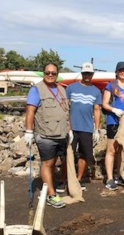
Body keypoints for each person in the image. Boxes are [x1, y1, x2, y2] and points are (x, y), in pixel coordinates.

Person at [24, 63, 70, 208]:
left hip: (61, 134)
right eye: (47, 72)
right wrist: (29, 131)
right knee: (47, 163)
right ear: (43, 73)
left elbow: (67, 112)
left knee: (53, 162)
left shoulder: (62, 89)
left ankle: (48, 186)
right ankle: (51, 195)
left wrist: (71, 130)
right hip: (45, 135)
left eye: (53, 73)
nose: (50, 75)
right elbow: (30, 111)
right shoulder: (36, 89)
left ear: (57, 74)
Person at [65, 62, 102, 191]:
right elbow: (66, 107)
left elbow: (97, 110)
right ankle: (65, 180)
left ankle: (79, 179)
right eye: (85, 73)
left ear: (92, 74)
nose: (87, 75)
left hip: (86, 128)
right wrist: (67, 127)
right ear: (81, 73)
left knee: (83, 155)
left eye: (89, 73)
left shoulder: (96, 91)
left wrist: (96, 129)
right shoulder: (71, 88)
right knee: (67, 154)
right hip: (72, 128)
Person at [102, 61, 124, 191]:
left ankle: (119, 176)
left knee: (122, 150)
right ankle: (110, 179)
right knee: (111, 150)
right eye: (120, 70)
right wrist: (113, 110)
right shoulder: (111, 85)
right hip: (113, 121)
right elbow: (104, 103)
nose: (122, 72)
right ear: (116, 72)